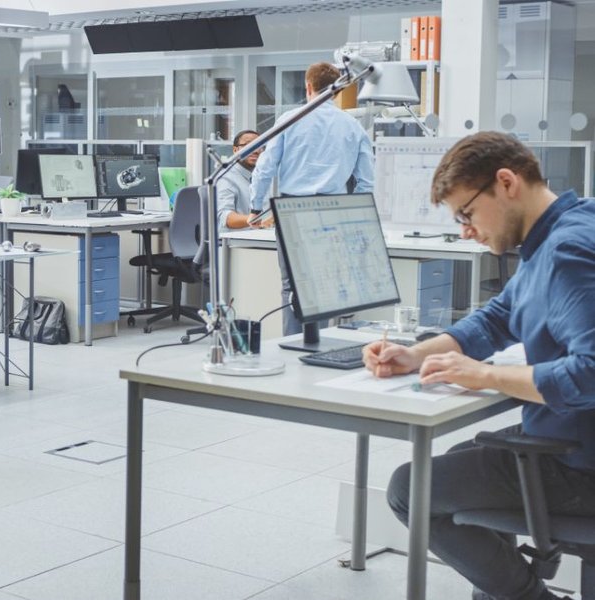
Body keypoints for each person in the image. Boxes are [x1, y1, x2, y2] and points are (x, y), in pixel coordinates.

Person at [363, 132, 595, 600]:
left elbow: (589, 374)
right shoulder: (566, 228)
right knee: (453, 463)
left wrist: (486, 376)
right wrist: (414, 355)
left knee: (411, 488)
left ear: (506, 182)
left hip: (580, 466)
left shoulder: (566, 253)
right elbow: (498, 318)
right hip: (572, 443)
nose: (465, 229)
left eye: (466, 213)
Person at [249, 61, 374, 335]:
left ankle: (294, 348)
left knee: (292, 285)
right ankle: (321, 344)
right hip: (334, 211)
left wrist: (255, 206)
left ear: (308, 86)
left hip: (293, 209)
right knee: (327, 284)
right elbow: (366, 181)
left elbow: (266, 166)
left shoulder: (290, 120)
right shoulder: (352, 126)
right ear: (337, 91)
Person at [215, 129, 262, 232]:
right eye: (248, 145)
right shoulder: (226, 177)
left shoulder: (261, 177)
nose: (255, 150)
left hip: (260, 237)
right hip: (234, 243)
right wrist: (256, 219)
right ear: (235, 150)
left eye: (259, 145)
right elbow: (226, 218)